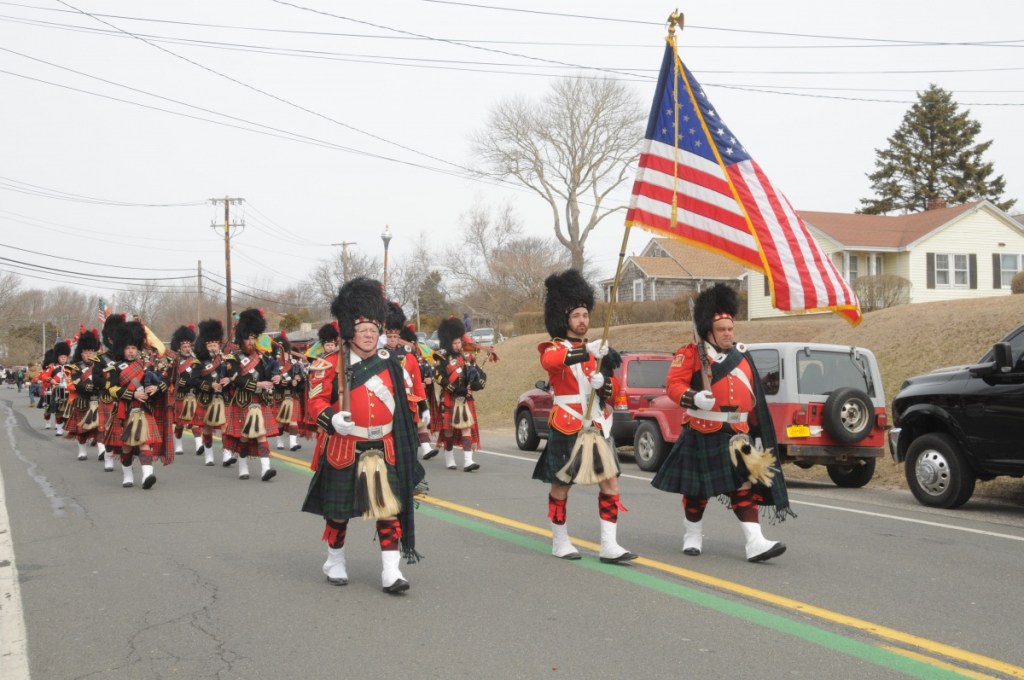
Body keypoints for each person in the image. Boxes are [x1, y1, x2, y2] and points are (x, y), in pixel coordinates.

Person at [651, 284, 794, 562]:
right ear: (708, 331)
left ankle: (755, 542)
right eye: (722, 330)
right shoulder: (691, 354)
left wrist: (758, 433)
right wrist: (693, 397)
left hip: (737, 434)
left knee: (744, 486)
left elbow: (754, 399)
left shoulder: (742, 356)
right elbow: (672, 386)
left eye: (730, 328)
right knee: (696, 492)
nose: (728, 333)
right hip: (703, 430)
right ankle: (692, 534)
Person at [301, 277, 425, 594]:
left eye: (373, 330)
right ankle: (335, 561)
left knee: (388, 510)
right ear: (350, 332)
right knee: (338, 513)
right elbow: (313, 401)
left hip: (384, 445)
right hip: (345, 444)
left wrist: (418, 415)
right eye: (362, 331)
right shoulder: (330, 363)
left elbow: (402, 399)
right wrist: (330, 418)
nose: (369, 336)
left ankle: (391, 571)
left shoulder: (391, 363)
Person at [532, 269, 636, 564]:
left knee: (610, 483)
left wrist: (605, 385)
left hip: (597, 423)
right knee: (562, 485)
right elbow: (552, 361)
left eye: (586, 315)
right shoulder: (554, 348)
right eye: (577, 315)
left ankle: (609, 545)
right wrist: (585, 351)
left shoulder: (599, 351)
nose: (583, 321)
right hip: (567, 423)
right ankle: (560, 540)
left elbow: (614, 392)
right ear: (565, 318)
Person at [104, 320, 168, 489]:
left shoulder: (147, 366)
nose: (131, 351)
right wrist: (133, 393)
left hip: (144, 409)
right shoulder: (114, 368)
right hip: (126, 411)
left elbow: (165, 382)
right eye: (128, 348)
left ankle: (148, 475)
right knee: (126, 446)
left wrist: (157, 388)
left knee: (144, 442)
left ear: (138, 349)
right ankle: (128, 474)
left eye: (133, 348)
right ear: (121, 349)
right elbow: (110, 389)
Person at [222, 309, 280, 482]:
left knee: (261, 434)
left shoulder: (263, 357)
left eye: (254, 337)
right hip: (242, 401)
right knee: (245, 437)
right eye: (247, 338)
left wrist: (276, 377)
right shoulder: (233, 358)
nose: (251, 341)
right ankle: (243, 465)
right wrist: (258, 384)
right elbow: (236, 379)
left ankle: (265, 469)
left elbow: (270, 374)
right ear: (241, 339)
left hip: (259, 401)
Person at [431, 316, 485, 472]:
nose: (457, 345)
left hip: (464, 398)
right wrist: (455, 388)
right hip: (450, 397)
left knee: (466, 427)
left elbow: (480, 374)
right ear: (448, 343)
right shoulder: (441, 358)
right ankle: (449, 458)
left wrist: (478, 383)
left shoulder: (466, 357)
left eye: (459, 342)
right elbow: (440, 378)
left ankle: (468, 461)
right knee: (448, 431)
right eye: (454, 343)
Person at [192, 319, 231, 467]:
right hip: (206, 398)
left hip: (223, 398)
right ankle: (209, 455)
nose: (213, 347)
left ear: (219, 345)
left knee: (225, 426)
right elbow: (193, 380)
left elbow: (234, 376)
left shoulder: (226, 359)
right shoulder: (199, 362)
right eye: (210, 344)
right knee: (207, 428)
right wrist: (210, 385)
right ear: (205, 345)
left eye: (215, 344)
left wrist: (228, 379)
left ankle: (227, 454)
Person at [64, 329, 102, 461]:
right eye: (86, 352)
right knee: (82, 429)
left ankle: (102, 451)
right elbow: (76, 382)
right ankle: (82, 451)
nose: (89, 354)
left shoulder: (101, 366)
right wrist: (87, 386)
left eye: (91, 351)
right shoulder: (75, 367)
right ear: (81, 353)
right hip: (82, 400)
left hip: (98, 400)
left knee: (100, 428)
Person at [167, 324, 203, 457]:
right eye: (185, 347)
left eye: (189, 346)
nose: (187, 349)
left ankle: (199, 444)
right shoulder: (174, 361)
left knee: (195, 422)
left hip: (193, 394)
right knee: (180, 424)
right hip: (180, 395)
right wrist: (177, 383)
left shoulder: (195, 360)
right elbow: (169, 377)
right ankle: (178, 445)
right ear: (179, 348)